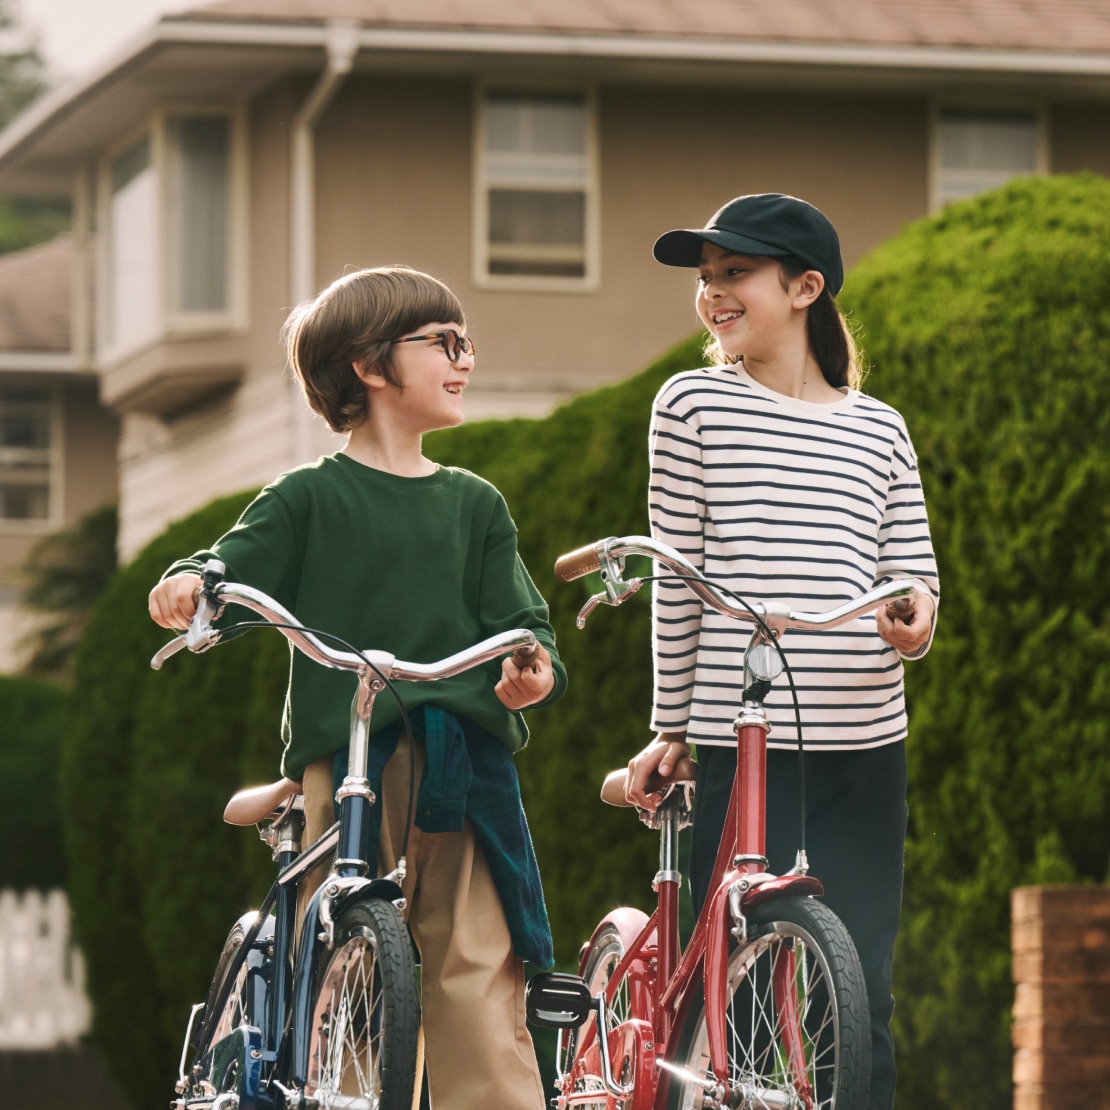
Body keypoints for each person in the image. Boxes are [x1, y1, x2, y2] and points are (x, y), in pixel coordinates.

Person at [147, 265, 567, 1110]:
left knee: (477, 963)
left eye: (467, 343)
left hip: (463, 762)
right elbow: (229, 569)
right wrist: (193, 585)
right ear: (371, 367)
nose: (465, 359)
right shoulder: (307, 498)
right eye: (443, 344)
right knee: (337, 964)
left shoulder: (474, 506)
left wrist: (531, 669)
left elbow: (525, 623)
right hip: (344, 761)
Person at [625, 194, 939, 1110]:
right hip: (745, 735)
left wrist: (917, 621)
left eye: (736, 273)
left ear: (805, 288)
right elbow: (677, 579)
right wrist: (670, 725)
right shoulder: (691, 405)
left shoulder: (880, 428)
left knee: (862, 987)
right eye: (706, 276)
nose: (714, 292)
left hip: (869, 734)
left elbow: (913, 573)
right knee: (753, 982)